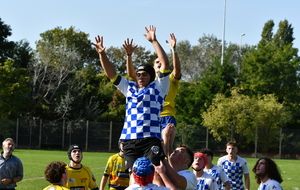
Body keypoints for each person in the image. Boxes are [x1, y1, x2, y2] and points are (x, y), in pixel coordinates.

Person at [91, 25, 170, 172]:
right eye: (138, 74)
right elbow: (111, 74)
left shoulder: (159, 87)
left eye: (144, 74)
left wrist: (154, 41)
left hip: (150, 138)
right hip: (129, 140)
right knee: (134, 175)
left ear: (151, 77)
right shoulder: (130, 88)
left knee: (155, 172)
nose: (140, 77)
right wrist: (102, 54)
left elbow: (165, 63)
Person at [124, 33, 181, 157]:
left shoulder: (168, 79)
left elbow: (176, 70)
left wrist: (174, 50)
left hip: (166, 115)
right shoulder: (147, 82)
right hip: (150, 119)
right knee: (154, 151)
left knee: (166, 148)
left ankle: (169, 172)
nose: (160, 63)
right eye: (157, 62)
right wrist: (129, 55)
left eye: (161, 61)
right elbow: (131, 74)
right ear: (153, 67)